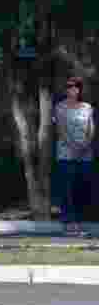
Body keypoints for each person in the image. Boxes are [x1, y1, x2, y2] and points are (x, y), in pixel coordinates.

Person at [53, 75, 94, 235]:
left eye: (76, 86)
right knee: (67, 188)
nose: (72, 89)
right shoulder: (60, 107)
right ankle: (68, 223)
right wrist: (73, 147)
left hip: (85, 154)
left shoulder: (87, 107)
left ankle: (78, 222)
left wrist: (85, 146)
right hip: (66, 154)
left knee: (81, 188)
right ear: (66, 89)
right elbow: (60, 129)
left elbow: (91, 129)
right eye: (69, 86)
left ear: (80, 89)